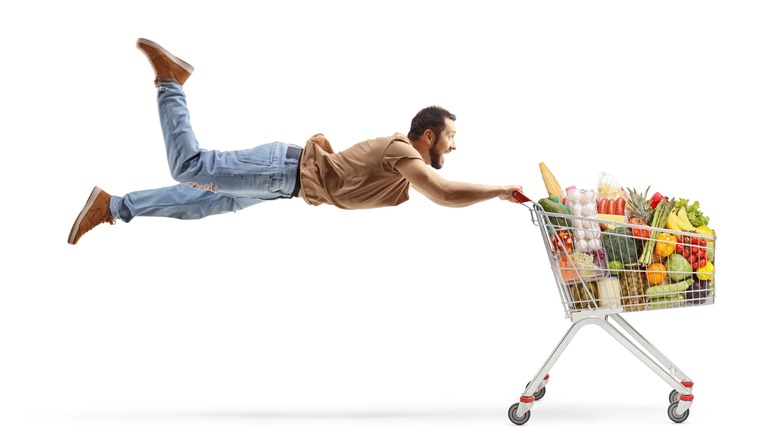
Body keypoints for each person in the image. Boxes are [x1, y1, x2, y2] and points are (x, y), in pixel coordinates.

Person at [67, 38, 525, 245]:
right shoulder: (402, 151)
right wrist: (502, 190)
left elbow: (435, 191)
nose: (454, 146)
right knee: (189, 168)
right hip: (281, 172)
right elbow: (444, 193)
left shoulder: (403, 170)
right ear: (428, 136)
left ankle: (110, 206)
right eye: (450, 138)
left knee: (197, 203)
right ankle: (171, 81)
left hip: (282, 183)